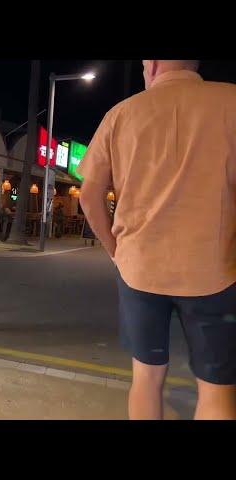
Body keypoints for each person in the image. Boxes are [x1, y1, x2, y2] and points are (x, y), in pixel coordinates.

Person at [78, 60, 236, 420]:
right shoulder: (231, 102)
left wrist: (116, 252)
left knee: (146, 378)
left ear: (153, 65)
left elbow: (89, 195)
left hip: (139, 269)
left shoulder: (121, 115)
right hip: (215, 269)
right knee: (217, 389)